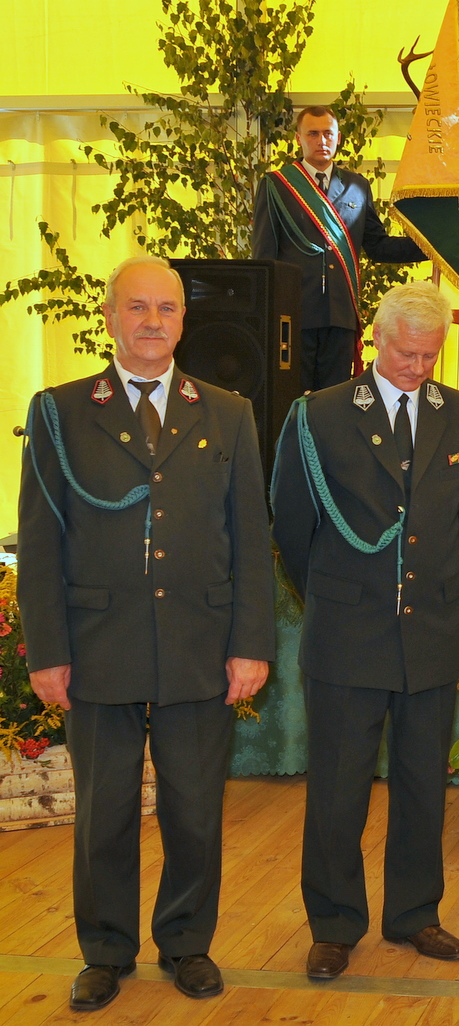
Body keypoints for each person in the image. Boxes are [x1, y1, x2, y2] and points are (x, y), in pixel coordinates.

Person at [16, 256, 275, 1011]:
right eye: (137, 307)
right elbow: (41, 542)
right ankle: (105, 951)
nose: (153, 321)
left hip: (201, 641)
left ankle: (187, 942)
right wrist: (48, 650)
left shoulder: (227, 413)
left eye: (166, 308)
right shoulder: (61, 412)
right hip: (99, 642)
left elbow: (249, 538)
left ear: (184, 321)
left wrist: (251, 642)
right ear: (110, 318)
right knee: (105, 810)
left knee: (195, 808)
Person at [271, 281, 459, 981]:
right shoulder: (319, 415)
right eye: (406, 353)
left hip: (429, 630)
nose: (419, 367)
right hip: (346, 633)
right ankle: (334, 924)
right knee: (338, 789)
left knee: (424, 784)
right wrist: (340, 593)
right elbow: (292, 526)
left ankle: (415, 914)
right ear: (376, 338)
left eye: (430, 355)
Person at [251, 105, 426, 392]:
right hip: (293, 314)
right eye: (313, 134)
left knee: (336, 400)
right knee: (290, 397)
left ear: (338, 138)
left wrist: (431, 246)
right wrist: (267, 316)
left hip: (341, 314)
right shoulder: (276, 185)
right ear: (298, 138)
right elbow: (264, 255)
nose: (321, 141)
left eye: (328, 134)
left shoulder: (358, 186)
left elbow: (379, 247)